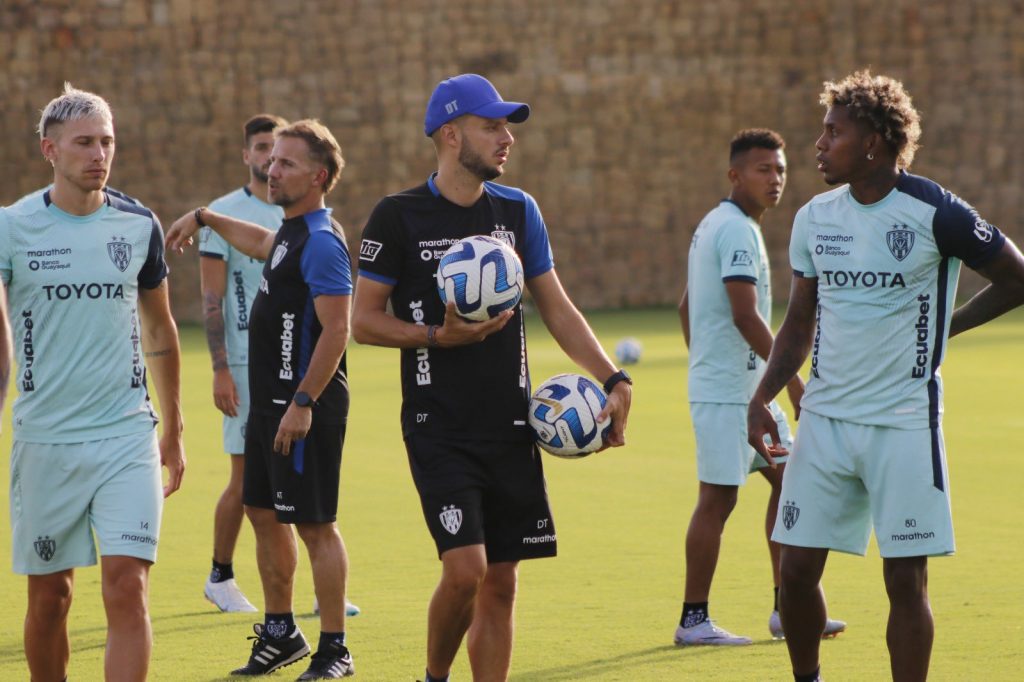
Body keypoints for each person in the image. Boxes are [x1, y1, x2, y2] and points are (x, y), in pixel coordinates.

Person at [351, 73, 633, 682]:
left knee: (502, 582)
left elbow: (556, 306)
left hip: (513, 425)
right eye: (492, 126)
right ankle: (433, 676)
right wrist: (436, 336)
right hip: (438, 427)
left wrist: (614, 377)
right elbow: (363, 322)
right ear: (450, 135)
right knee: (465, 571)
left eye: (508, 126)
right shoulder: (397, 216)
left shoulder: (517, 209)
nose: (507, 138)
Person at [747, 70, 1024, 682]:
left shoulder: (936, 211)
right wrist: (763, 396)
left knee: (904, 578)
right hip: (824, 420)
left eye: (832, 132)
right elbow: (798, 324)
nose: (817, 144)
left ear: (872, 142)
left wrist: (947, 328)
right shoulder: (816, 217)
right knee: (794, 571)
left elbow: (1017, 276)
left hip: (903, 421)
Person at [1, 84, 185, 682]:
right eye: (84, 143)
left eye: (106, 141)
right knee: (50, 599)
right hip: (46, 440)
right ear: (49, 150)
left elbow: (159, 326)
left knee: (127, 586)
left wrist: (174, 425)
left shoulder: (138, 226)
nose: (99, 154)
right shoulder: (12, 227)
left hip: (125, 435)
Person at [167, 119, 356, 679]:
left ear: (319, 177)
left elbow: (337, 330)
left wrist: (302, 403)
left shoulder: (322, 241)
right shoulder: (291, 231)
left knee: (315, 525)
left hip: (303, 405)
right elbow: (262, 243)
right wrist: (206, 217)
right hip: (267, 402)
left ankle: (334, 650)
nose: (272, 171)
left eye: (287, 164)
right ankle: (280, 634)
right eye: (271, 161)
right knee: (262, 511)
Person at [675, 129, 845, 646]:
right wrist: (791, 379)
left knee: (787, 481)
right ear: (735, 175)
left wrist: (711, 364)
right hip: (733, 398)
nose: (775, 180)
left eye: (780, 170)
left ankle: (784, 608)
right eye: (763, 170)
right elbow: (746, 315)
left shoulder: (719, 225)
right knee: (718, 501)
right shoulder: (736, 231)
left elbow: (686, 306)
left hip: (745, 393)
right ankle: (693, 620)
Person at [199, 113, 288, 613]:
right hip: (244, 364)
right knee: (246, 476)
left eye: (276, 149)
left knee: (295, 473)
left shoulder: (298, 212)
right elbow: (212, 300)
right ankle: (220, 576)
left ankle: (310, 586)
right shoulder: (223, 214)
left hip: (290, 364)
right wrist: (220, 368)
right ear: (246, 155)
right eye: (260, 148)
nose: (268, 157)